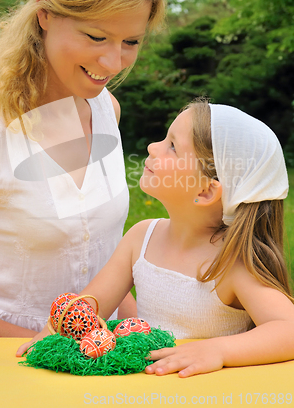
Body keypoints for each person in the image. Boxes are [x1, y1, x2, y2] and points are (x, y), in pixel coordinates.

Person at [0, 0, 165, 337]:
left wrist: (139, 330)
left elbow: (101, 263)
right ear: (45, 14)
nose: (113, 63)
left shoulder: (107, 109)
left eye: (131, 42)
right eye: (96, 36)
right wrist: (51, 349)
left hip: (95, 366)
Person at [17, 98, 294, 378]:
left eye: (172, 146)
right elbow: (91, 304)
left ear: (207, 192)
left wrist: (217, 351)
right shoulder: (142, 237)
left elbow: (288, 330)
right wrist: (56, 329)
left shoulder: (231, 263)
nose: (152, 147)